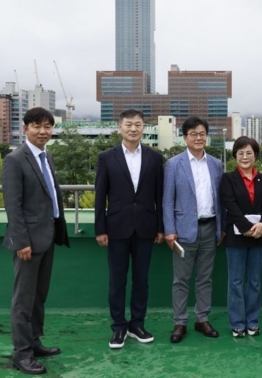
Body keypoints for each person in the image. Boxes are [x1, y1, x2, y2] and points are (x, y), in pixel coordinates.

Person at [2, 107, 69, 375]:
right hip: (28, 241)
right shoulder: (14, 160)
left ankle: (34, 341)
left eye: (47, 127)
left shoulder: (45, 156)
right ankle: (21, 353)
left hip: (47, 236)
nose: (43, 131)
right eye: (37, 126)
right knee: (23, 299)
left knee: (39, 296)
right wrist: (21, 241)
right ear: (25, 128)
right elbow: (13, 205)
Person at [94, 109, 165, 349]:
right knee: (117, 281)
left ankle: (137, 324)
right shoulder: (106, 157)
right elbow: (100, 196)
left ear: (144, 127)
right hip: (116, 228)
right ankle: (118, 327)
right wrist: (100, 229)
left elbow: (159, 196)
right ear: (120, 127)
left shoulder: (155, 158)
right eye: (128, 124)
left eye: (137, 124)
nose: (133, 129)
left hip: (146, 227)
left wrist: (160, 227)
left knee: (141, 280)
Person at [163, 116, 225, 343]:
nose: (198, 138)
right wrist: (169, 230)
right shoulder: (174, 164)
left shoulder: (216, 164)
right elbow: (167, 200)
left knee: (205, 278)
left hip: (210, 227)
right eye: (193, 134)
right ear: (185, 137)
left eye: (202, 134)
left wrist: (221, 228)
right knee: (181, 279)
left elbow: (220, 199)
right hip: (182, 231)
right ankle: (180, 322)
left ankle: (202, 319)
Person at [220, 136, 262, 338]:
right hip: (237, 236)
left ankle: (252, 321)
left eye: (249, 152)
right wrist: (246, 227)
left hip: (258, 235)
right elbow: (229, 204)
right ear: (235, 155)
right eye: (240, 153)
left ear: (255, 155)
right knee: (235, 281)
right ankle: (237, 323)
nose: (245, 156)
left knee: (254, 281)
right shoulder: (228, 178)